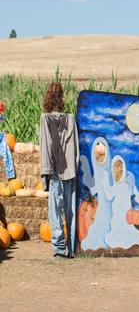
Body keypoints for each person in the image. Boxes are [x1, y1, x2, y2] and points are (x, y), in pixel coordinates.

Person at [39, 82, 79, 258]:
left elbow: (45, 147)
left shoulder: (45, 119)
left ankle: (59, 248)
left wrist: (45, 173)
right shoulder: (71, 119)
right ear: (62, 97)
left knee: (55, 211)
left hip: (55, 171)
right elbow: (76, 147)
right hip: (70, 169)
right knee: (70, 211)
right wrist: (74, 165)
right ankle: (71, 248)